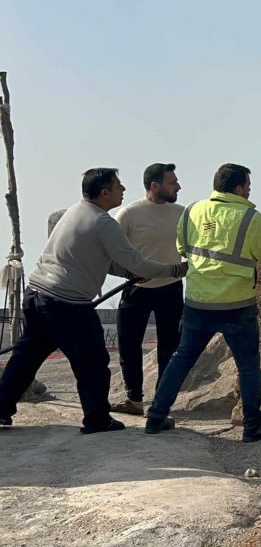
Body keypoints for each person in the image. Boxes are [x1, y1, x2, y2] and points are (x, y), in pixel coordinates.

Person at [0, 168, 188, 433]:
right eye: (118, 185)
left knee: (26, 358)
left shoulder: (76, 212)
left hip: (38, 294)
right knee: (93, 364)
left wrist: (128, 273)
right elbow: (137, 262)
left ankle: (1, 407)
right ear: (104, 192)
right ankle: (97, 419)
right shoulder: (103, 222)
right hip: (67, 304)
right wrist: (176, 270)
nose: (123, 189)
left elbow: (108, 260)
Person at [145, 163, 261, 442]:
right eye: (248, 186)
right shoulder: (250, 217)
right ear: (238, 188)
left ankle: (156, 415)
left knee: (182, 358)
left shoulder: (192, 211)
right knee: (247, 366)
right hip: (237, 304)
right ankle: (252, 426)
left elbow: (182, 249)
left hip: (198, 301)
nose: (250, 191)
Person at [110, 163, 185, 416]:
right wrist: (128, 272)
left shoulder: (182, 214)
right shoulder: (128, 214)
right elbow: (111, 250)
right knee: (129, 345)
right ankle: (134, 400)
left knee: (169, 348)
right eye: (172, 182)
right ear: (155, 186)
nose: (178, 186)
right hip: (136, 288)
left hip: (171, 288)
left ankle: (162, 402)